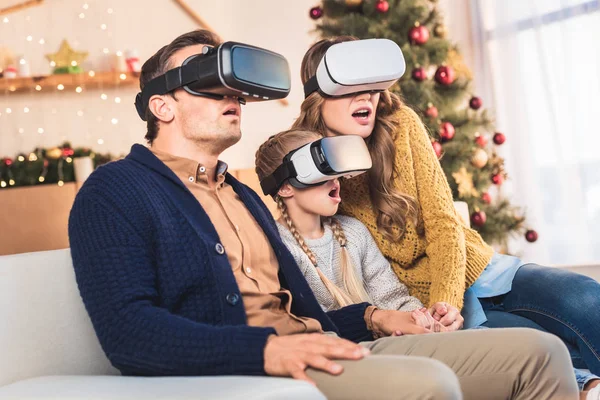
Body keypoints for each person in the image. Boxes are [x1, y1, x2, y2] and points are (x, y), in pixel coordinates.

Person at [68, 29, 579, 400]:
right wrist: (269, 352)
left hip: (327, 346)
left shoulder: (242, 195)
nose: (234, 97)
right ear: (161, 107)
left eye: (236, 88)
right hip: (262, 366)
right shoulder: (115, 191)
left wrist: (379, 317)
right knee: (431, 385)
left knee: (542, 353)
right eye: (208, 80)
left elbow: (306, 313)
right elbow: (128, 333)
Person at [293, 35, 600, 396]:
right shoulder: (304, 162)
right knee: (536, 344)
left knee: (585, 297)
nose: (366, 97)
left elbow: (443, 221)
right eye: (349, 87)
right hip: (422, 308)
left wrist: (447, 299)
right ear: (318, 94)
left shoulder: (401, 124)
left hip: (471, 269)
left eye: (373, 85)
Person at [255, 128, 445, 331]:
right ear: (285, 187)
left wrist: (421, 318)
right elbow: (305, 325)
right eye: (320, 165)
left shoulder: (353, 232)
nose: (335, 177)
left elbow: (393, 299)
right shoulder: (277, 248)